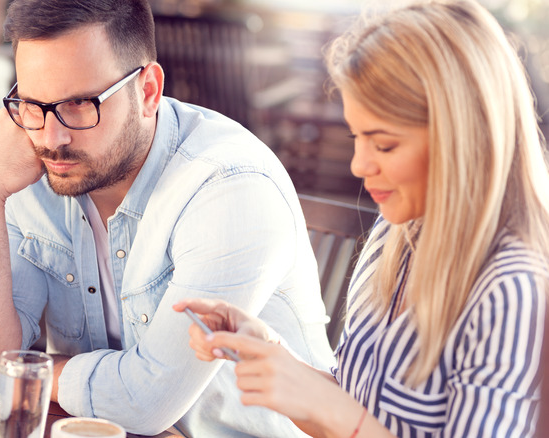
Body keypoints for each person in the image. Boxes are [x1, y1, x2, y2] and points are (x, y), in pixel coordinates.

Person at [0, 0, 333, 436]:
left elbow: (145, 403)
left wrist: (26, 370)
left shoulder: (231, 186)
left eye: (81, 104)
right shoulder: (34, 165)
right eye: (33, 104)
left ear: (147, 92)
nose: (52, 138)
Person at [175, 0, 549, 436]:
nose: (358, 165)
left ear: (463, 138)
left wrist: (331, 410)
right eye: (357, 137)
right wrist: (272, 354)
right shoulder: (397, 232)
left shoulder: (514, 289)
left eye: (384, 144)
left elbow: (349, 421)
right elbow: (357, 409)